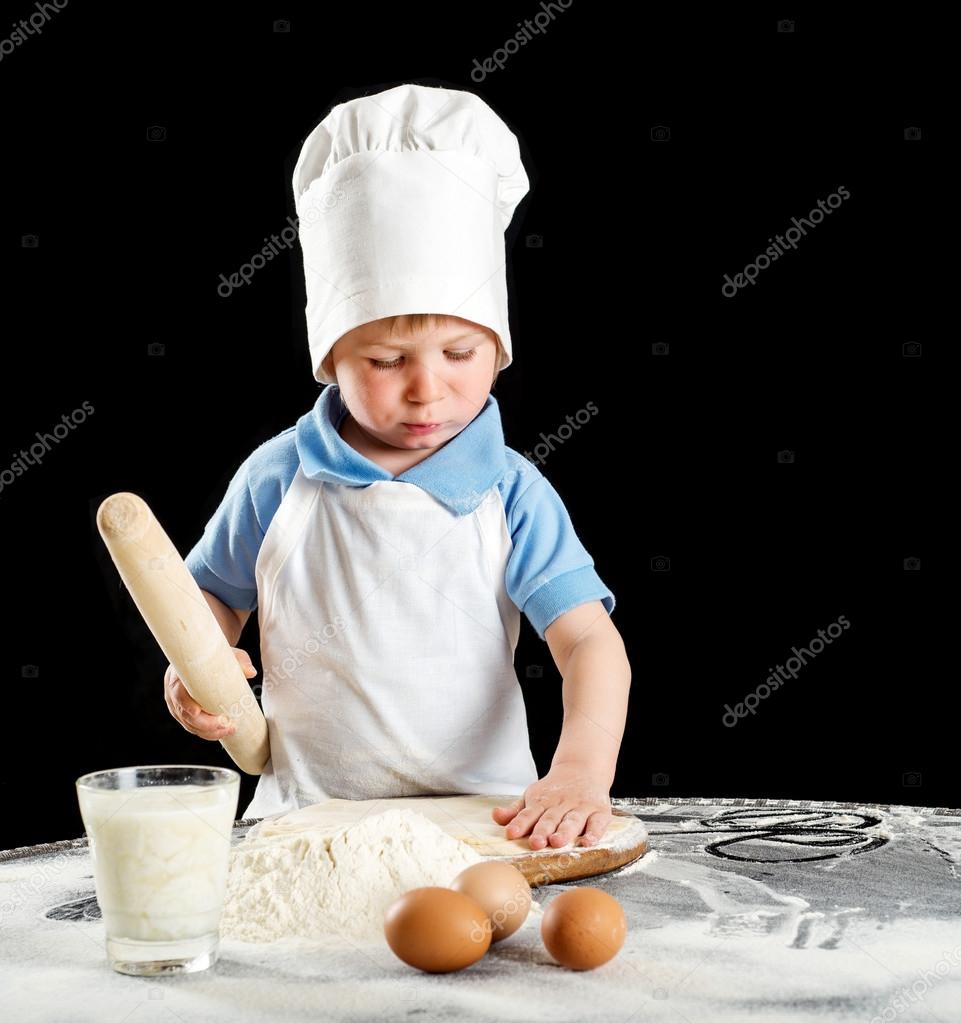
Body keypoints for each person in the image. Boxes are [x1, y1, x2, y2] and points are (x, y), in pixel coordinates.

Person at [165, 83, 631, 851]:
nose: (427, 388)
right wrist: (193, 670)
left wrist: (580, 770)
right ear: (330, 358)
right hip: (303, 824)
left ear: (498, 349)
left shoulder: (510, 491)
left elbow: (586, 642)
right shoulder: (278, 477)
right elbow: (207, 601)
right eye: (384, 360)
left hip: (483, 822)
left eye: (459, 353)